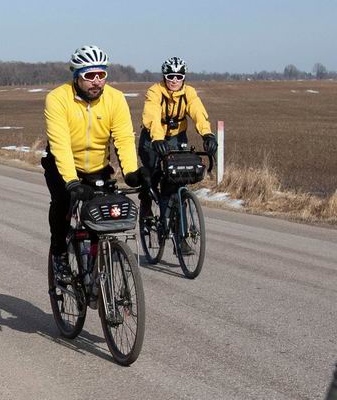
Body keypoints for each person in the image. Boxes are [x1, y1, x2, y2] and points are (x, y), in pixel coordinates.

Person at [43, 45, 150, 286]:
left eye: (101, 75)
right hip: (63, 165)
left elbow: (123, 137)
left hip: (98, 167)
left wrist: (131, 172)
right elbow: (60, 145)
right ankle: (59, 254)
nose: (96, 82)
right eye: (89, 75)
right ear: (77, 76)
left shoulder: (115, 98)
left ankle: (95, 264)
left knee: (103, 211)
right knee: (62, 204)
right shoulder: (57, 99)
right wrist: (71, 182)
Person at [138, 56, 217, 245]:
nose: (174, 80)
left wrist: (207, 134)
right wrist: (157, 138)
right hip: (152, 138)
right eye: (170, 76)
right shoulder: (155, 91)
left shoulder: (189, 93)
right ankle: (147, 206)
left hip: (176, 137)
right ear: (164, 76)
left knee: (177, 180)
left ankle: (179, 235)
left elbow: (198, 112)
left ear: (184, 78)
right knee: (152, 176)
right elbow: (152, 116)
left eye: (179, 77)